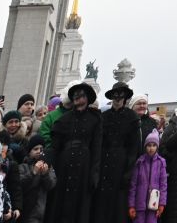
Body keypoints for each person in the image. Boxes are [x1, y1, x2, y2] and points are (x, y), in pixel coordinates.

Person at [47, 86, 101, 223]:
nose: (78, 96)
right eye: (75, 94)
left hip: (84, 166)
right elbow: (54, 146)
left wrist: (94, 173)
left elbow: (96, 148)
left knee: (80, 205)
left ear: (87, 98)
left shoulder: (95, 119)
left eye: (81, 94)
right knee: (60, 203)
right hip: (64, 165)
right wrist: (45, 161)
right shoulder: (63, 119)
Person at [98, 87, 148, 223]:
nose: (118, 98)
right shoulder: (104, 116)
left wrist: (129, 171)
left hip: (122, 164)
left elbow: (134, 147)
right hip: (105, 163)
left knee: (119, 206)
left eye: (121, 95)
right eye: (115, 95)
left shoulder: (132, 117)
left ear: (125, 97)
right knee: (102, 206)